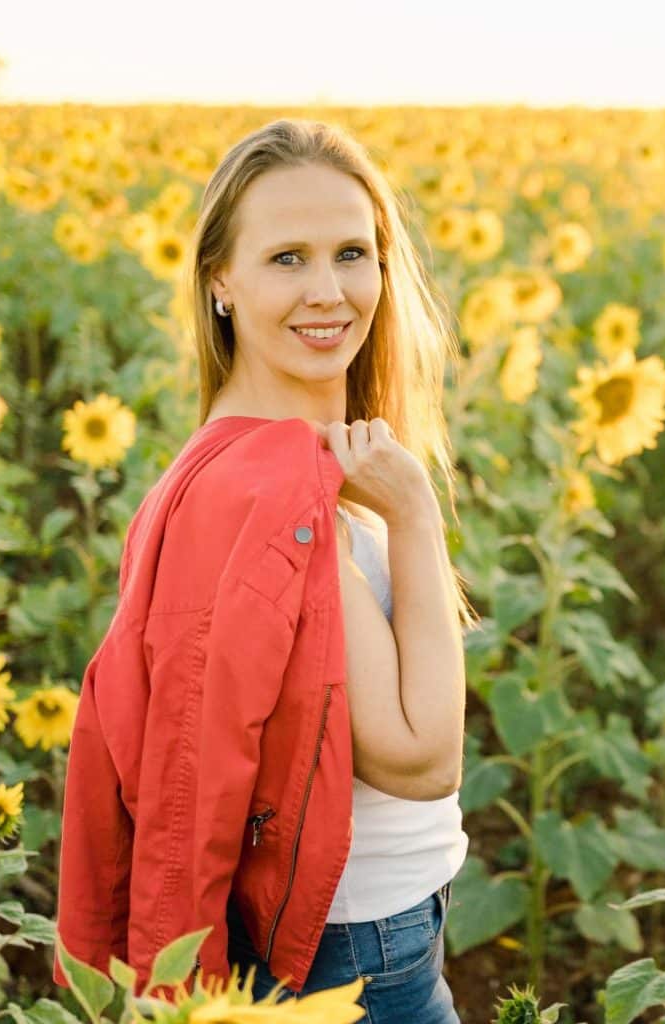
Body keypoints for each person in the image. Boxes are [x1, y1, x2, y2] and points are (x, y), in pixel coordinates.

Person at [53, 117, 479, 1021]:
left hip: (365, 926)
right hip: (358, 948)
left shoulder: (243, 461)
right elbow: (422, 756)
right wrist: (414, 516)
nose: (328, 291)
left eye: (351, 254)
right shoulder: (285, 487)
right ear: (221, 283)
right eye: (287, 258)